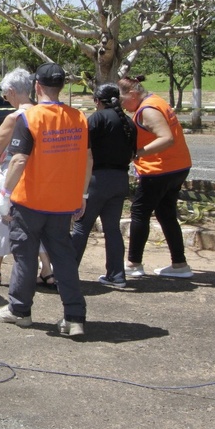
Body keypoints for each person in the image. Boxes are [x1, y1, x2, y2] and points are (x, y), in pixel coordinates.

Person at [0, 63, 92, 336]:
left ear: (37, 87)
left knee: (25, 256)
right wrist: (82, 194)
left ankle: (19, 310)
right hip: (63, 202)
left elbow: (19, 159)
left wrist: (5, 194)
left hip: (31, 201)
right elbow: (88, 159)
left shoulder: (30, 118)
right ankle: (74, 317)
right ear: (61, 86)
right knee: (64, 259)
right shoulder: (79, 117)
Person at [0, 68, 54, 287]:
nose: (6, 99)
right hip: (40, 175)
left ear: (13, 92)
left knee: (1, 219)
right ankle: (46, 269)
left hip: (14, 174)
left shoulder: (15, 117)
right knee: (38, 223)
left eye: (6, 95)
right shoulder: (42, 113)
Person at [118, 75, 194, 279]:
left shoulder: (148, 109)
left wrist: (137, 153)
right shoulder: (157, 101)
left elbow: (166, 138)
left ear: (133, 94)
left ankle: (134, 263)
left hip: (159, 170)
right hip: (177, 166)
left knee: (140, 213)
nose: (123, 106)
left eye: (123, 100)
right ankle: (180, 264)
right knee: (166, 214)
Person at [70, 83, 138, 288]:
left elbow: (83, 149)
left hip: (97, 179)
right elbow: (133, 153)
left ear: (97, 101)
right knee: (112, 229)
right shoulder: (128, 122)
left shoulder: (97, 118)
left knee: (82, 225)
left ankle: (68, 272)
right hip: (120, 179)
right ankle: (116, 275)